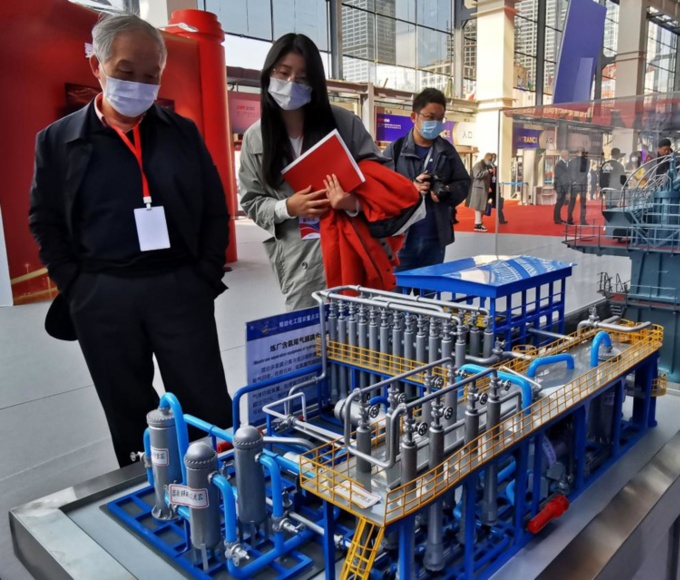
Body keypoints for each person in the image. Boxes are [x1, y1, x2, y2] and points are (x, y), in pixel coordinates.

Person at [29, 14, 232, 466]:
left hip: (180, 288)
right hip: (103, 295)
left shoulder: (181, 133)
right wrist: (76, 286)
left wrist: (203, 274)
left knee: (207, 404)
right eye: (125, 71)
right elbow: (43, 219)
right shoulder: (59, 141)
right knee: (130, 413)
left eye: (150, 75)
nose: (139, 84)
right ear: (97, 67)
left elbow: (215, 208)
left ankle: (220, 489)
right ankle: (149, 496)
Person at [239, 33, 387, 310]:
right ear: (269, 74)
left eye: (303, 78)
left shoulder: (344, 122)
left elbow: (380, 179)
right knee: (308, 341)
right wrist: (287, 207)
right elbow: (251, 201)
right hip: (301, 261)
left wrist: (351, 203)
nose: (291, 83)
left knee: (362, 342)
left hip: (353, 251)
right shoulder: (256, 138)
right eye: (283, 73)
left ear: (316, 84)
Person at [386, 88, 470, 266]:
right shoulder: (396, 150)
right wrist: (411, 188)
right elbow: (380, 188)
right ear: (413, 117)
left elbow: (463, 182)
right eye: (430, 117)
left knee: (429, 294)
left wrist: (447, 192)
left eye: (440, 118)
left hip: (435, 239)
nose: (436, 123)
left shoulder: (447, 151)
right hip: (401, 238)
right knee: (397, 293)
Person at [469, 153, 494, 231]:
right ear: (486, 158)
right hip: (478, 189)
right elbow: (477, 175)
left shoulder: (485, 166)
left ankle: (478, 223)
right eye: (490, 160)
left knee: (481, 207)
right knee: (478, 207)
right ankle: (478, 224)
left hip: (483, 189)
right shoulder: (478, 165)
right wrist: (487, 172)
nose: (490, 162)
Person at [568, 149, 590, 225]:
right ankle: (582, 220)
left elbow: (570, 173)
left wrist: (573, 181)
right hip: (582, 184)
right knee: (582, 203)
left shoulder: (571, 161)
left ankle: (569, 219)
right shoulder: (586, 161)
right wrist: (578, 182)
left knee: (572, 202)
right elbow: (584, 173)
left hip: (574, 184)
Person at [487, 153, 508, 224]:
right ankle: (478, 221)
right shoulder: (486, 166)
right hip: (489, 187)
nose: (494, 159)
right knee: (483, 204)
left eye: (495, 157)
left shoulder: (495, 167)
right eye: (492, 157)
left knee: (498, 203)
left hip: (495, 186)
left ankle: (501, 219)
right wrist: (488, 186)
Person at [553, 150, 572, 224]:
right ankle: (556, 219)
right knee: (559, 203)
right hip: (560, 187)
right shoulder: (560, 164)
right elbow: (562, 178)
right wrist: (567, 190)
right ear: (564, 155)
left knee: (560, 203)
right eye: (567, 154)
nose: (568, 156)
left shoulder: (564, 164)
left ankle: (558, 218)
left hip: (562, 186)